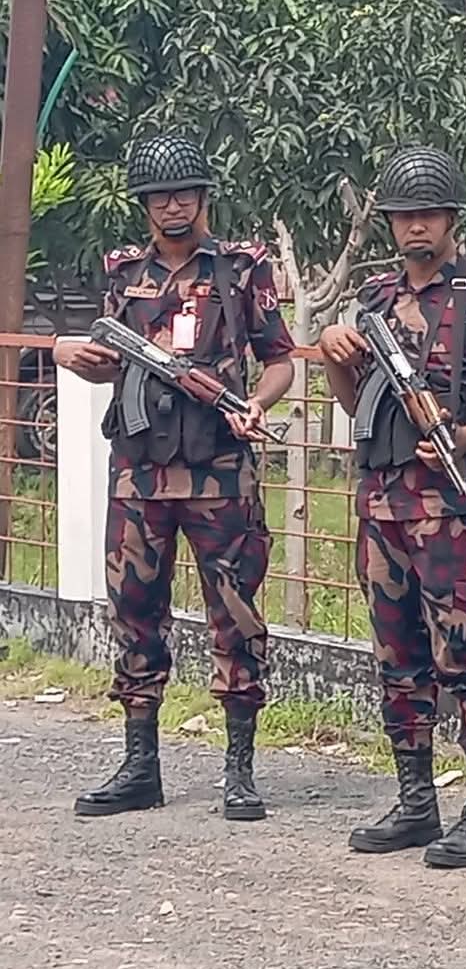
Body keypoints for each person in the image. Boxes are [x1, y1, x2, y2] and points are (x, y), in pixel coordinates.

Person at [60, 133, 294, 822]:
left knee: (237, 616)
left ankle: (239, 770)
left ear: (203, 197)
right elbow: (105, 357)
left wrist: (258, 403)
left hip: (219, 474)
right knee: (134, 612)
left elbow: (279, 358)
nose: (173, 207)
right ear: (144, 204)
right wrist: (78, 356)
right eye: (160, 197)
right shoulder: (124, 272)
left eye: (184, 194)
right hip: (139, 476)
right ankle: (140, 767)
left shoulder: (241, 269)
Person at [318, 145, 466, 870]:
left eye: (429, 214)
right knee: (397, 655)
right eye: (404, 215)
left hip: (452, 503)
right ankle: (416, 801)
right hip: (383, 503)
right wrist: (336, 358)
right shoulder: (375, 297)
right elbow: (357, 404)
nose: (416, 226)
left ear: (451, 219)